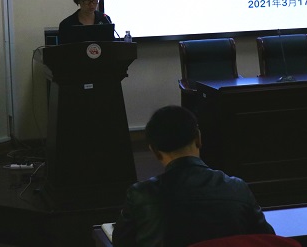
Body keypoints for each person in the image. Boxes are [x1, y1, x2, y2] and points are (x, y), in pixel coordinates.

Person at [113, 105, 274, 247]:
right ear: (198, 139)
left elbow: (121, 242)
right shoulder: (237, 188)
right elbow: (267, 239)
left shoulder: (140, 194)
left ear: (154, 151)